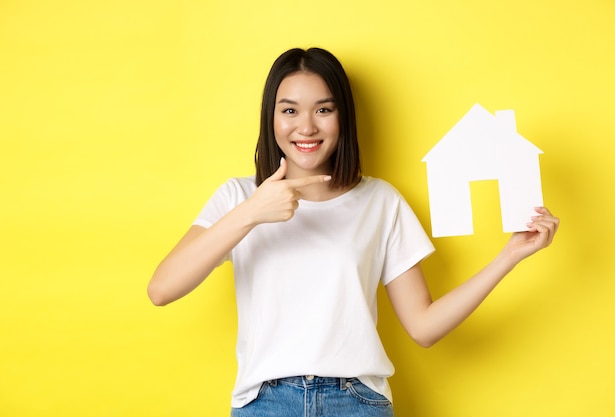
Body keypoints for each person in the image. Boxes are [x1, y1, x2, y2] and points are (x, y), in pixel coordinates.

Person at [147, 47, 559, 417]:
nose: (305, 127)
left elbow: (424, 327)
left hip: (356, 402)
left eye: (323, 110)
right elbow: (161, 289)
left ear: (342, 116)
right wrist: (251, 212)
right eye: (289, 110)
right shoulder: (237, 196)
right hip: (265, 404)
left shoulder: (380, 201)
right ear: (270, 117)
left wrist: (509, 256)